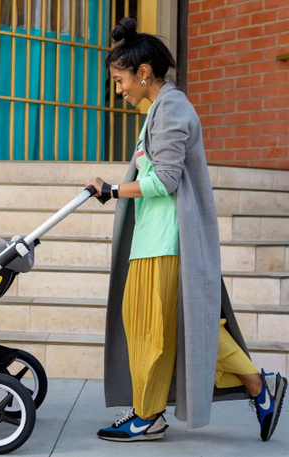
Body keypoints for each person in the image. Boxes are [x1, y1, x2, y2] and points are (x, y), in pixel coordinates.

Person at [85, 17, 287, 443]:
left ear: (142, 73)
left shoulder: (172, 107)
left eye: (120, 80)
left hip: (166, 242)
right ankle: (256, 387)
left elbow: (165, 180)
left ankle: (149, 416)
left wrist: (113, 191)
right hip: (154, 241)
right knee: (176, 327)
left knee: (150, 329)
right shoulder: (160, 109)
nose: (118, 89)